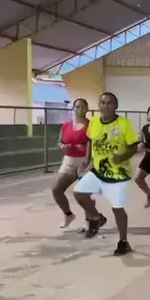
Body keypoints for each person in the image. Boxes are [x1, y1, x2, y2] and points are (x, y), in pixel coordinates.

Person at [73, 92, 139, 256]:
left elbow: (133, 147)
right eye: (102, 103)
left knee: (117, 208)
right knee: (79, 193)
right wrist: (87, 161)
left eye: (110, 103)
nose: (106, 106)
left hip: (119, 174)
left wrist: (122, 157)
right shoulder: (94, 122)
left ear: (116, 106)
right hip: (98, 170)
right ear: (99, 105)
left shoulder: (124, 124)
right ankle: (97, 218)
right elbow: (90, 141)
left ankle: (123, 242)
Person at [52, 98, 90, 229]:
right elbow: (60, 142)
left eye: (83, 107)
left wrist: (85, 149)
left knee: (84, 194)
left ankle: (89, 220)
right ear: (73, 108)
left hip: (84, 162)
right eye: (77, 106)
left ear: (87, 109)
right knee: (56, 189)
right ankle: (68, 214)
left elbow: (96, 144)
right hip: (69, 161)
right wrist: (62, 146)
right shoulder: (66, 125)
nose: (80, 109)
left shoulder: (91, 126)